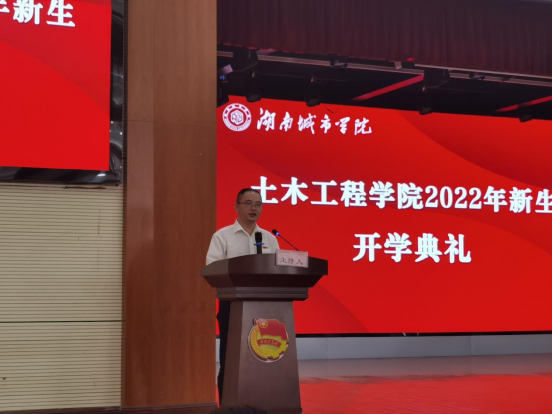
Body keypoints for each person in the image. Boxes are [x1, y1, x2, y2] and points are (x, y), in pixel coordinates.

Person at [206, 188, 280, 404]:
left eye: (258, 204)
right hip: (233, 305)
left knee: (263, 358)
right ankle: (228, 405)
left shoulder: (269, 238)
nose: (253, 208)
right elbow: (212, 269)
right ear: (237, 206)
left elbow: (278, 268)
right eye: (248, 203)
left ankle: (261, 403)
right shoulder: (222, 236)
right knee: (231, 360)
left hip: (265, 308)